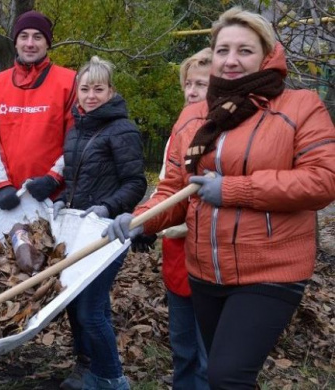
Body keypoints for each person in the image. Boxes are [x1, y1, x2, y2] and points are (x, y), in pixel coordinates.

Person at [105, 7, 335, 389]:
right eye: (223, 50)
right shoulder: (195, 114)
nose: (231, 60)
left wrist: (232, 189)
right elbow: (174, 189)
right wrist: (140, 218)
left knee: (226, 376)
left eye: (244, 51)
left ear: (267, 54)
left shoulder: (300, 106)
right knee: (228, 377)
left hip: (270, 270)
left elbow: (323, 181)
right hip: (205, 270)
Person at [53, 56, 146, 390]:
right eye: (85, 88)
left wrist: (108, 207)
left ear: (111, 91)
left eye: (98, 89)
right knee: (75, 303)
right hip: (78, 229)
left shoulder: (122, 129)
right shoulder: (78, 128)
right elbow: (77, 178)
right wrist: (65, 198)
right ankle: (87, 368)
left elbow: (136, 183)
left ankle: (111, 377)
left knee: (91, 309)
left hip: (107, 232)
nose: (91, 95)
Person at [143, 48, 212, 390]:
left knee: (207, 355)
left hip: (212, 258)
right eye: (188, 83)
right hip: (176, 254)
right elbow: (168, 188)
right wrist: (146, 221)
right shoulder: (180, 128)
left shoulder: (222, 132)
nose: (192, 90)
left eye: (202, 83)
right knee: (183, 348)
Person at [0, 10, 76, 210]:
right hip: (9, 197)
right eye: (24, 36)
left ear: (47, 43)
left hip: (55, 197)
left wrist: (54, 178)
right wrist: (1, 185)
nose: (30, 43)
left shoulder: (70, 82)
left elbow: (76, 137)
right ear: (15, 42)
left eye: (37, 37)